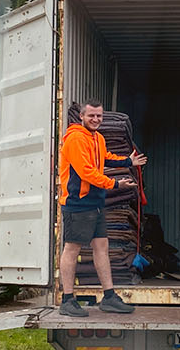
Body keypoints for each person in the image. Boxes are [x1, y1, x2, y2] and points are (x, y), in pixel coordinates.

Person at [56, 101, 147, 317]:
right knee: (72, 249)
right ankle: (67, 300)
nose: (96, 120)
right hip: (78, 203)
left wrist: (127, 161)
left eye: (99, 116)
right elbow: (87, 172)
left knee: (102, 247)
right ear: (82, 116)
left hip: (96, 203)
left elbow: (105, 158)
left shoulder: (98, 138)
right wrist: (115, 184)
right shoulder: (76, 138)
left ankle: (109, 297)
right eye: (91, 116)